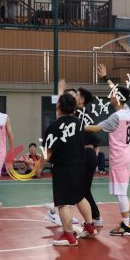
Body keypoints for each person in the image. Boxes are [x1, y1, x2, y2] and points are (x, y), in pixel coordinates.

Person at [85, 64, 130, 236]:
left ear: (117, 99)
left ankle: (126, 225)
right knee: (122, 190)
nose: (110, 96)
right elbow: (118, 91)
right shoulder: (127, 110)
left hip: (119, 157)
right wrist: (106, 78)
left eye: (112, 94)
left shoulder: (115, 117)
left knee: (120, 193)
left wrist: (75, 124)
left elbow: (95, 128)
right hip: (125, 154)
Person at [38, 93, 97, 246]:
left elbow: (47, 153)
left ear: (58, 106)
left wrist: (38, 168)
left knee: (63, 202)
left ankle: (69, 236)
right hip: (80, 166)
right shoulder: (79, 123)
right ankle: (90, 227)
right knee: (80, 197)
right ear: (74, 107)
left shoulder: (53, 127)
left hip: (63, 168)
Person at [43, 81, 103, 227]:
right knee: (78, 190)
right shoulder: (79, 115)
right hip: (81, 154)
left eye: (75, 95)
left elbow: (61, 113)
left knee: (80, 191)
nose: (72, 97)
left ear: (80, 100)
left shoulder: (79, 115)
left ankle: (93, 218)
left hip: (83, 155)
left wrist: (60, 91)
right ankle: (57, 211)